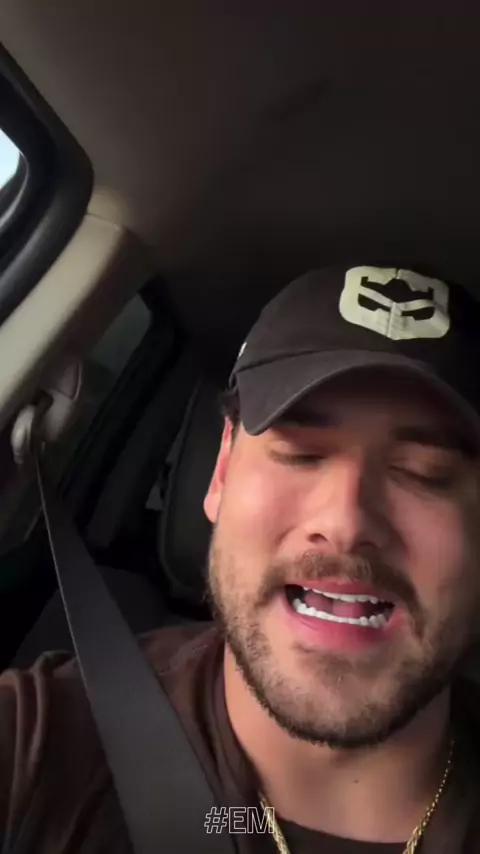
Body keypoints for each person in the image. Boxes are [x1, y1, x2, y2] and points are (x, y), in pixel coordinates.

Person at [2, 263, 480, 854]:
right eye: (299, 454)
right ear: (222, 471)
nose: (346, 522)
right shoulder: (40, 746)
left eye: (424, 473)